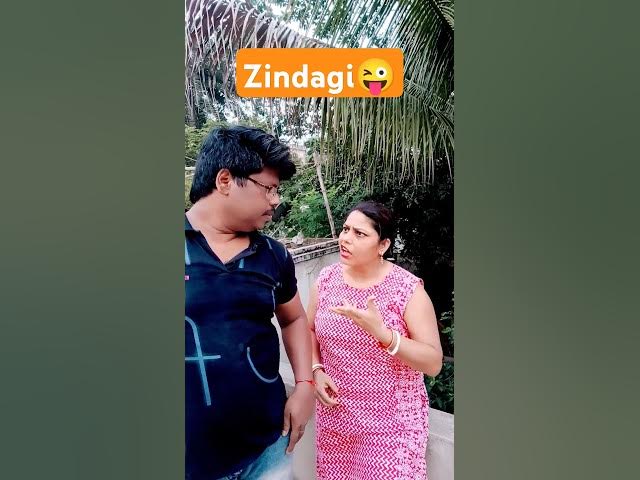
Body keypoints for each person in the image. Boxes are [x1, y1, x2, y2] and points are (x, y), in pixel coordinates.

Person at [185, 125, 315, 480]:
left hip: (267, 450)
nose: (276, 200)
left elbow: (293, 319)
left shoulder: (273, 255)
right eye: (268, 188)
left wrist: (305, 384)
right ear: (225, 180)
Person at [308, 201, 443, 479]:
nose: (346, 238)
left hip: (391, 426)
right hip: (336, 417)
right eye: (346, 229)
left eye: (360, 233)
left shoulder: (407, 290)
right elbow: (308, 329)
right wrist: (316, 370)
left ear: (383, 245)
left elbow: (433, 363)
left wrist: (383, 335)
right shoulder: (326, 279)